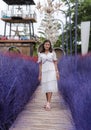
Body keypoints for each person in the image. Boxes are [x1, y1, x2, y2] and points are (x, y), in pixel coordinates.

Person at [38, 39, 59, 111]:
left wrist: (57, 72)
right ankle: (47, 102)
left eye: (48, 44)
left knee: (50, 86)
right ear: (43, 45)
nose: (47, 45)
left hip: (51, 71)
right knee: (46, 87)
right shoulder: (40, 54)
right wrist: (40, 75)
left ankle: (48, 103)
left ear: (50, 46)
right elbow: (40, 64)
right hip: (44, 71)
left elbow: (55, 62)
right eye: (46, 44)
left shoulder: (52, 53)